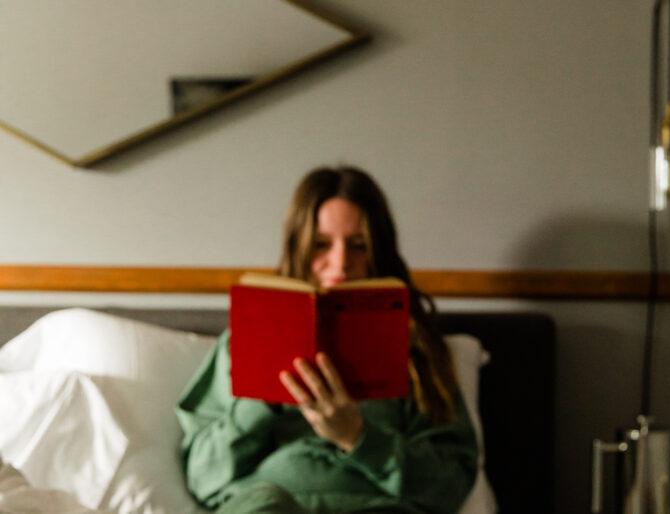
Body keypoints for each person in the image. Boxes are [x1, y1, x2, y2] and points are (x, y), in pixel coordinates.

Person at [176, 166, 478, 513]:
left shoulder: (415, 350)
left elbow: (451, 481)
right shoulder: (242, 342)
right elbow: (202, 475)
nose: (341, 263)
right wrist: (264, 401)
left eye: (359, 246)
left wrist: (358, 436)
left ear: (378, 252)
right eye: (321, 245)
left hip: (375, 504)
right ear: (298, 248)